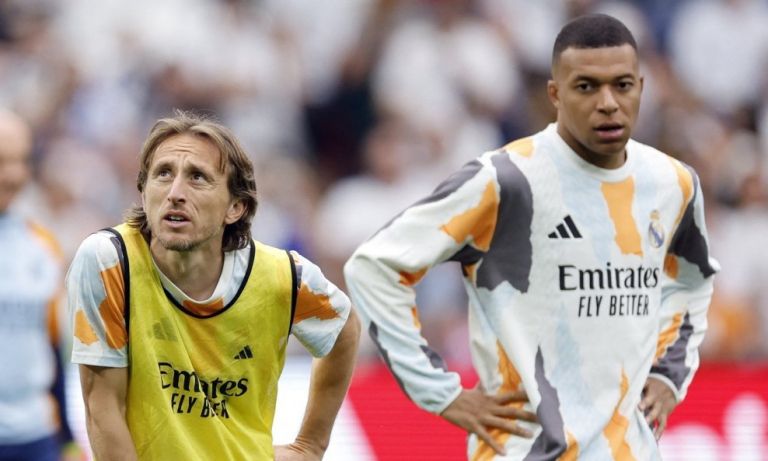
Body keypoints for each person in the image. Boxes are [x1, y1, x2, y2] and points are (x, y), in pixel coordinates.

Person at [344, 13, 717, 460]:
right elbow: (374, 266)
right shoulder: (506, 180)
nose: (608, 103)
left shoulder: (673, 183)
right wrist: (441, 393)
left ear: (640, 86)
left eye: (622, 85)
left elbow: (692, 279)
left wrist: (669, 373)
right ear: (555, 94)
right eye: (586, 86)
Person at [66, 110, 360, 460]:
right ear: (143, 193)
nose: (175, 193)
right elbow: (103, 409)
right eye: (163, 174)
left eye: (197, 177)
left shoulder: (281, 276)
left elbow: (344, 328)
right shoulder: (110, 261)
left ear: (235, 207)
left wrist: (310, 444)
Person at [0, 110, 81, 461]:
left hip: (36, 437)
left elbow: (51, 345)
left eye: (21, 160)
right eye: (2, 161)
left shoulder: (43, 245)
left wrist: (67, 439)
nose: (15, 174)